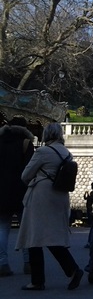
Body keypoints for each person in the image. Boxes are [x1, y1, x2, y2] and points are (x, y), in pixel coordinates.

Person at [16, 122, 84, 291]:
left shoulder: (43, 151)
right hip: (60, 195)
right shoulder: (66, 153)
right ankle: (72, 269)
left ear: (47, 134)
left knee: (34, 237)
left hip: (41, 195)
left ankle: (37, 281)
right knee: (52, 237)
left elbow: (25, 175)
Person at [0, 117, 34, 277]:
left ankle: (2, 263)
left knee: (2, 227)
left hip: (2, 191)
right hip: (21, 190)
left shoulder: (1, 141)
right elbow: (31, 170)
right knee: (25, 228)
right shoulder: (26, 143)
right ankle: (28, 263)